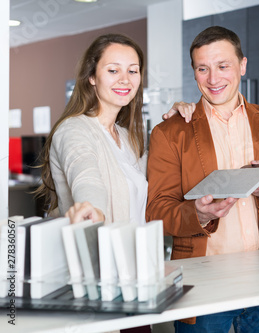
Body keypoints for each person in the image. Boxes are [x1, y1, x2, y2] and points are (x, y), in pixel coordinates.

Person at [146, 26, 259, 332]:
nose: (213, 78)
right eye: (203, 68)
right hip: (203, 282)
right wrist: (196, 213)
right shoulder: (170, 132)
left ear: (243, 65)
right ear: (194, 71)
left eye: (223, 66)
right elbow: (157, 211)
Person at [36, 33, 192, 225]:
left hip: (136, 253)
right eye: (113, 70)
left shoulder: (128, 138)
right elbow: (86, 178)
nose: (125, 80)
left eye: (133, 71)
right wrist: (93, 210)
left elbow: (162, 175)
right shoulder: (73, 130)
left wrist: (176, 125)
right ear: (92, 76)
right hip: (101, 252)